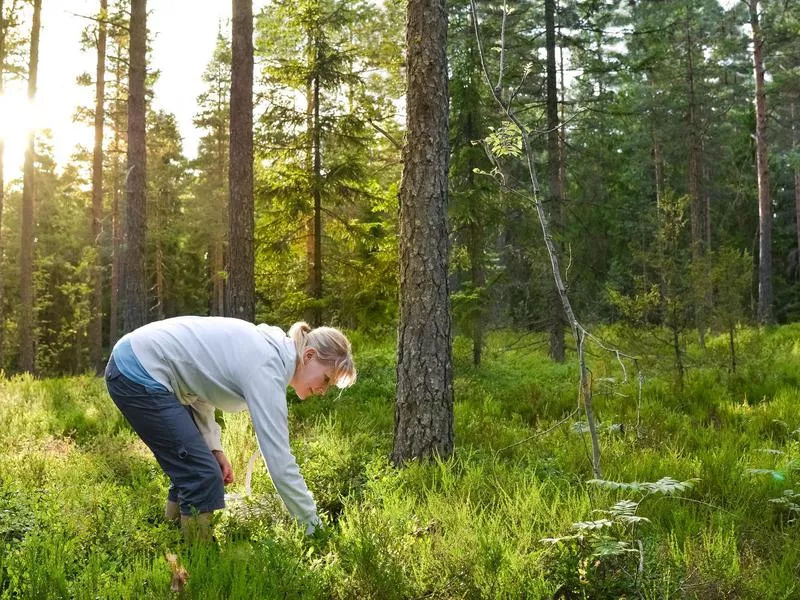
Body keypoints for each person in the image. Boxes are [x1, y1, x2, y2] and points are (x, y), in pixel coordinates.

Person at [104, 316, 356, 541]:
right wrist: (314, 527)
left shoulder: (270, 349)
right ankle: (200, 565)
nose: (323, 391)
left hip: (138, 361)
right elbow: (280, 464)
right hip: (137, 371)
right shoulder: (267, 367)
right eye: (326, 379)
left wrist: (214, 448)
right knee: (201, 475)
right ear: (309, 356)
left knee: (200, 466)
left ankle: (169, 536)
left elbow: (201, 387)